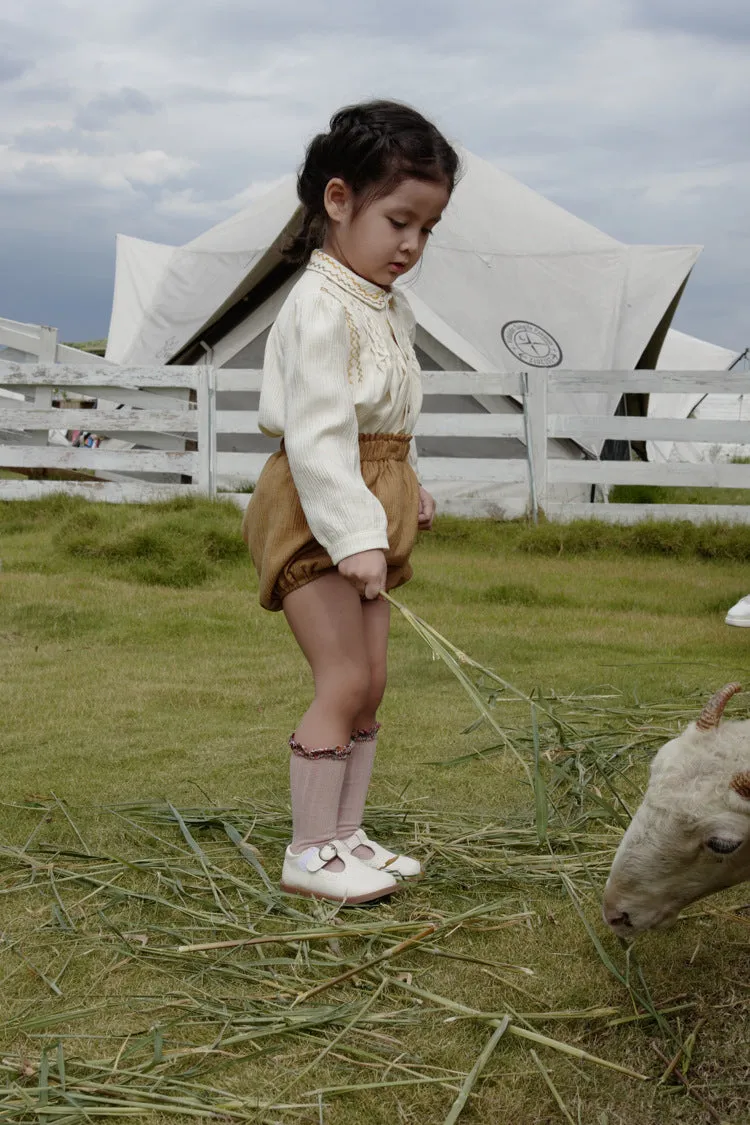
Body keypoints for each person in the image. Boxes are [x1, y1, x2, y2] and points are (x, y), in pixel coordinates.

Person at [242, 100, 460, 904]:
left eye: (428, 229)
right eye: (400, 219)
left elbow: (386, 418)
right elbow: (321, 434)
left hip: (366, 504)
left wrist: (413, 482)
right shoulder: (318, 303)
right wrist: (354, 532)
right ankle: (308, 851)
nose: (412, 244)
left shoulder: (383, 304)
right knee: (340, 677)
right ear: (340, 201)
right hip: (317, 509)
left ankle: (345, 834)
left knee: (372, 679)